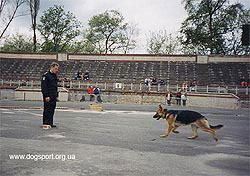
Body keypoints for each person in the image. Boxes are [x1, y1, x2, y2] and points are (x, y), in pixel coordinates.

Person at [41, 62, 59, 129]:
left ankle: (50, 122)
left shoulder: (54, 75)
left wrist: (56, 96)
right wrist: (46, 96)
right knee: (47, 109)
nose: (56, 70)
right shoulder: (46, 75)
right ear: (51, 67)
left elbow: (55, 87)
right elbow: (44, 87)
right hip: (48, 95)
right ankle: (45, 123)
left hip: (53, 95)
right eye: (55, 69)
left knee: (52, 109)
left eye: (57, 69)